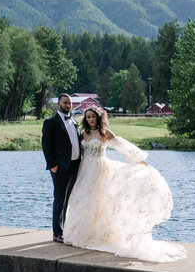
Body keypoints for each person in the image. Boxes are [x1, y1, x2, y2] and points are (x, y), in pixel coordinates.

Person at [61, 105, 185, 263]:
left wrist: (138, 159)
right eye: (88, 117)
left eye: (93, 116)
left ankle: (101, 234)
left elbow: (121, 145)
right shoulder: (83, 134)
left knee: (100, 202)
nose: (90, 119)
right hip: (85, 171)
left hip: (100, 169)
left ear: (99, 118)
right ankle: (82, 233)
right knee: (83, 201)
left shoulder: (104, 132)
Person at [41, 93, 81, 243]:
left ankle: (67, 229)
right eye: (65, 103)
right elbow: (46, 145)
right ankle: (57, 232)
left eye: (70, 103)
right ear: (59, 104)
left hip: (75, 165)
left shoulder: (74, 121)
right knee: (59, 199)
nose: (68, 105)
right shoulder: (50, 122)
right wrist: (52, 165)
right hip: (60, 167)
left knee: (70, 199)